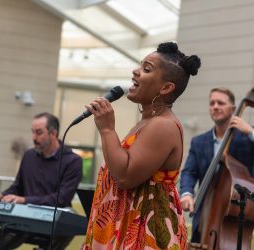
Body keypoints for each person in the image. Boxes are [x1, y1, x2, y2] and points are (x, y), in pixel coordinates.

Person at [82, 42, 201, 249]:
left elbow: (125, 176)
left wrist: (108, 130)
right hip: (125, 227)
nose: (135, 72)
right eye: (140, 66)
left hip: (144, 234)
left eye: (146, 69)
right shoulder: (147, 123)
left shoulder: (163, 125)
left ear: (165, 87)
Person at [180, 87, 254, 242]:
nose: (215, 106)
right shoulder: (199, 142)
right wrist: (187, 193)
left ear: (233, 109)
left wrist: (251, 132)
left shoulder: (247, 137)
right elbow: (189, 172)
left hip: (236, 219)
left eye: (220, 103)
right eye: (212, 103)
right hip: (204, 219)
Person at [0, 112, 83, 250]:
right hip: (25, 218)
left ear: (53, 133)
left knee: (65, 220)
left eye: (39, 133)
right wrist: (1, 195)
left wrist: (25, 200)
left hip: (53, 221)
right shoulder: (29, 155)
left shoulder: (72, 161)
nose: (33, 137)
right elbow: (17, 187)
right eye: (32, 132)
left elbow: (62, 199)